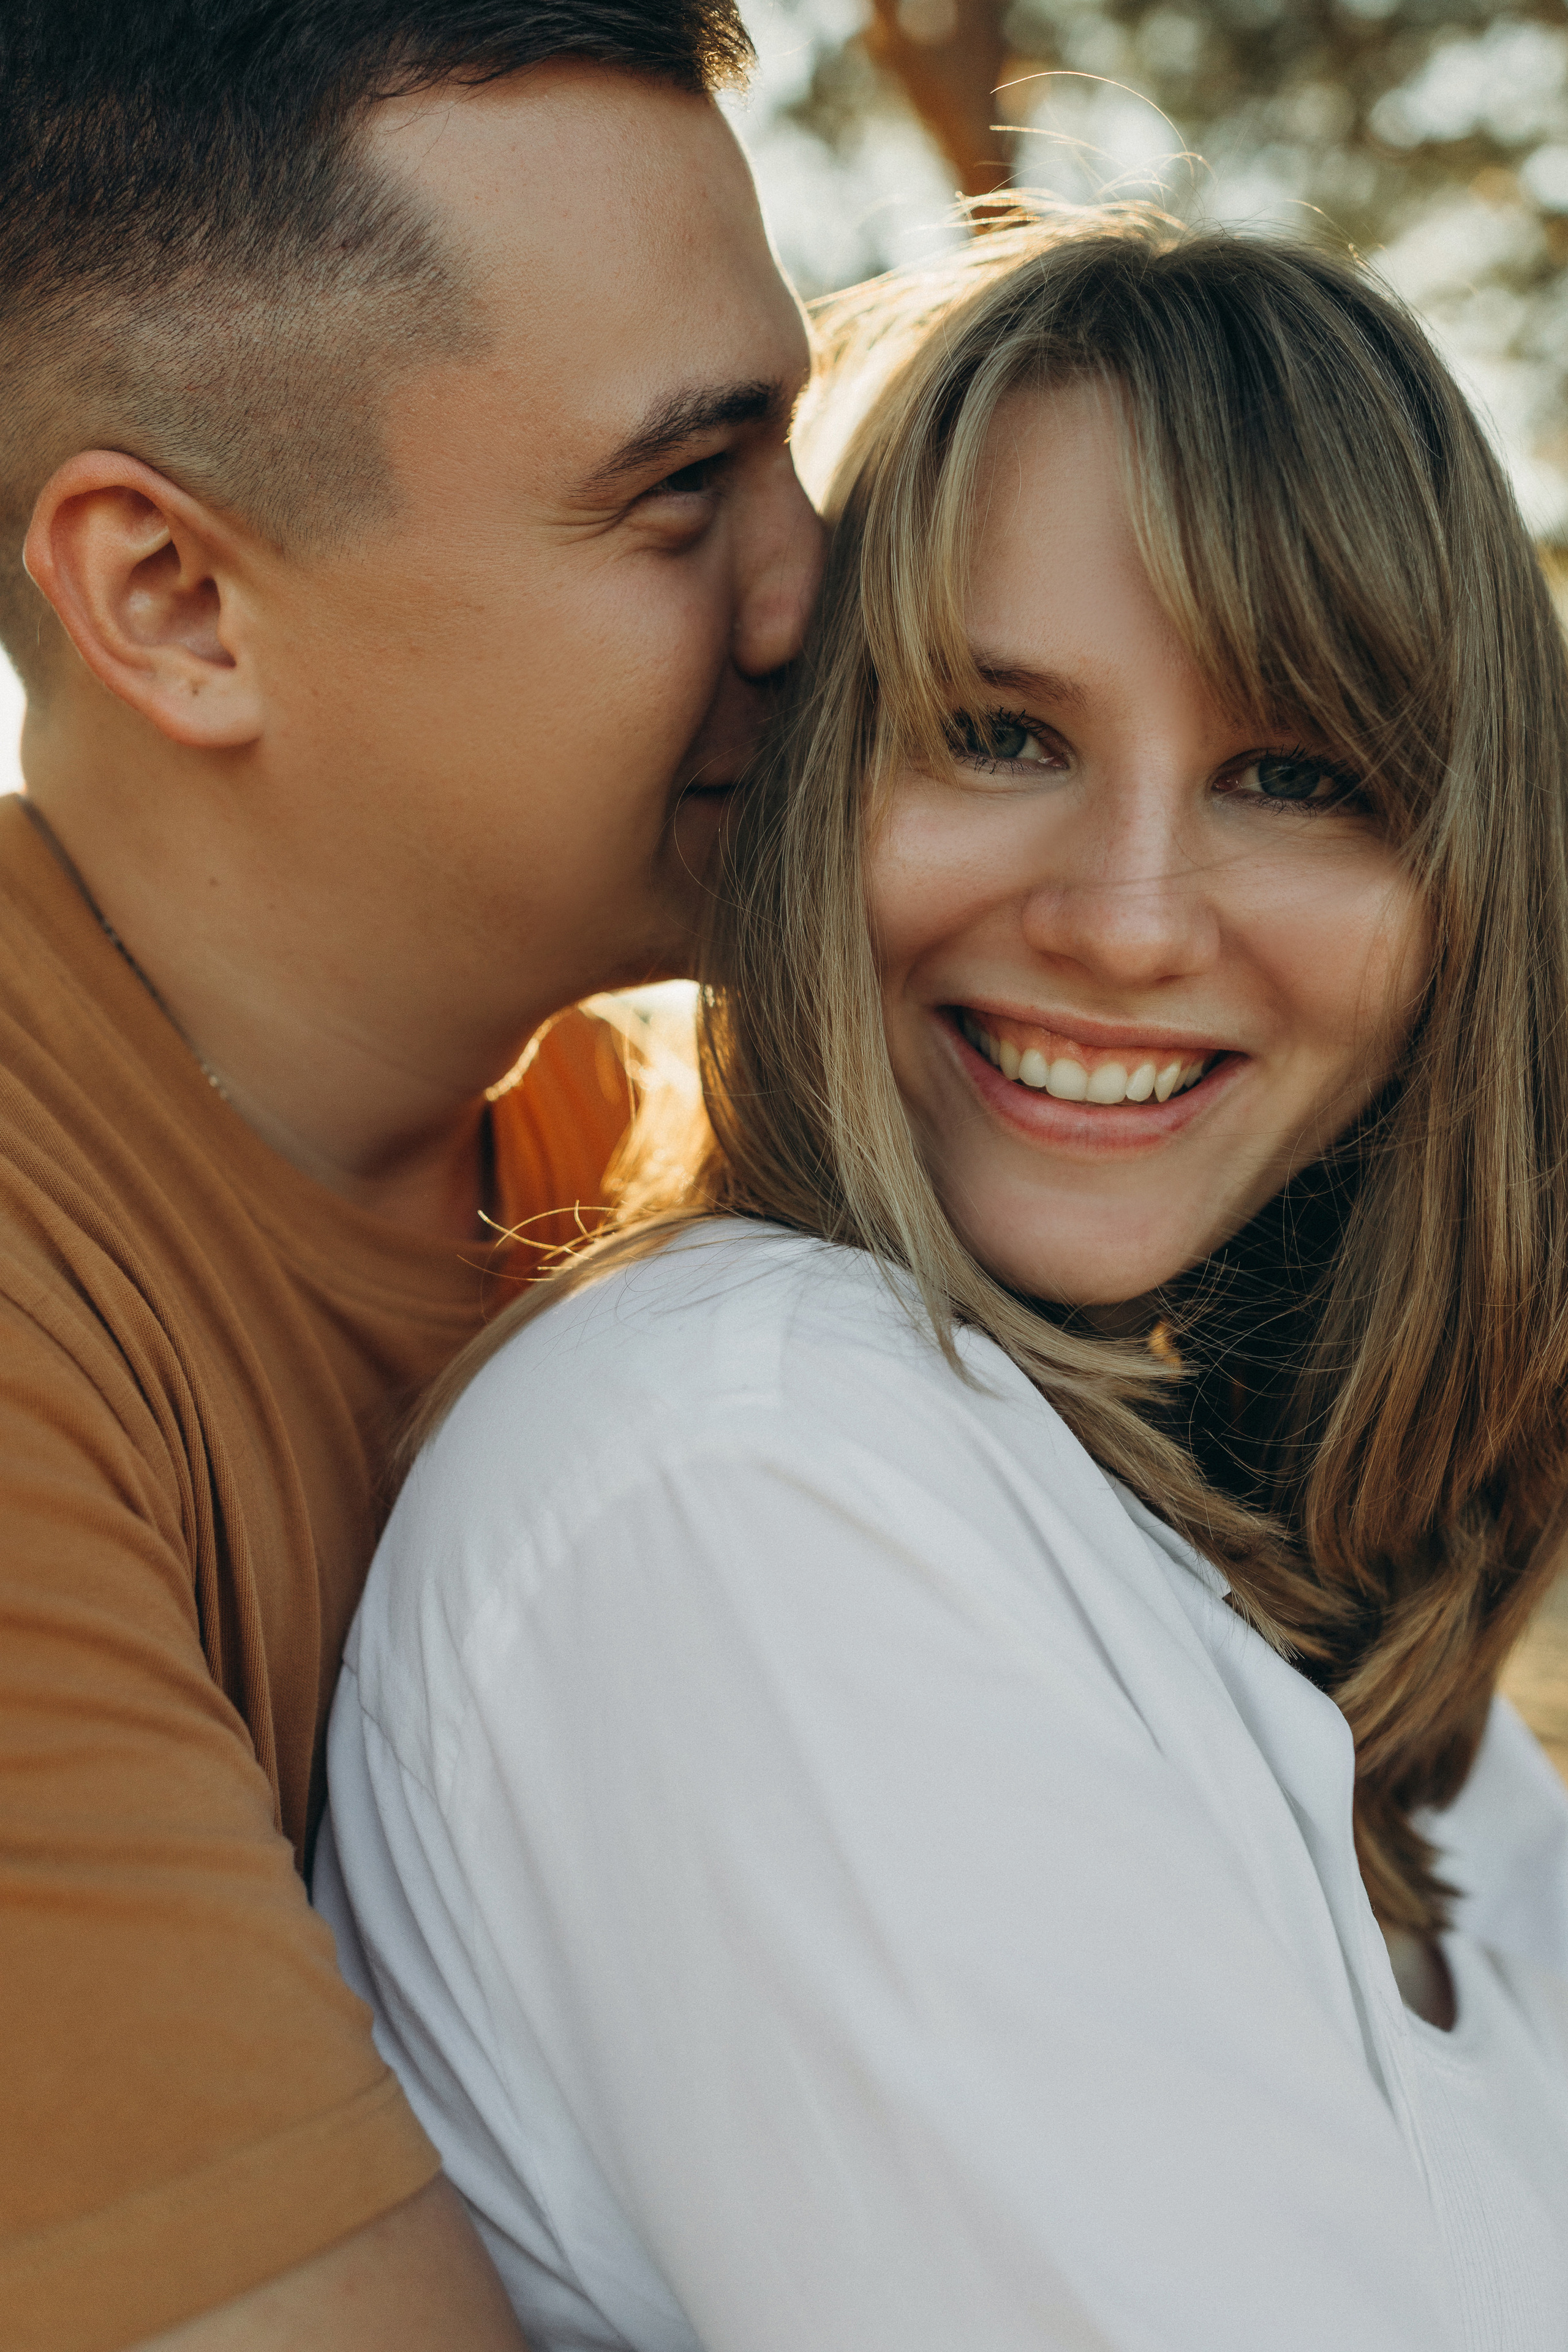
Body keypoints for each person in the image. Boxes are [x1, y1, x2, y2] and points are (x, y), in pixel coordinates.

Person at [322, 213, 1568, 2351]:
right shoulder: (750, 1466)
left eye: (1298, 777)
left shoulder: (1329, 1639)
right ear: (811, 776)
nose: (1130, 918)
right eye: (998, 732)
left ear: (1468, 892)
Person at [0, 4, 822, 2347]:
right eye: (685, 489)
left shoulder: (624, 1167)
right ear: (171, 598)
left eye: (795, 445)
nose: (818, 586)